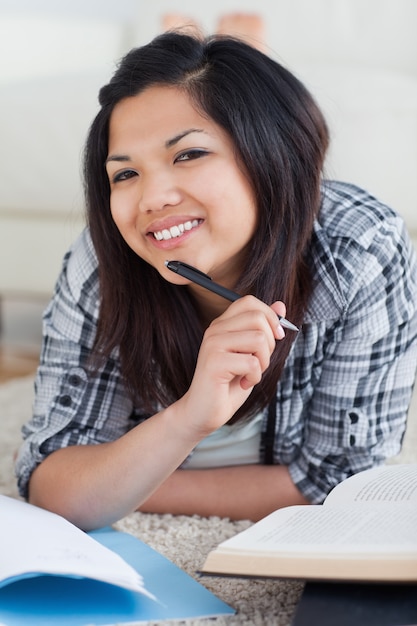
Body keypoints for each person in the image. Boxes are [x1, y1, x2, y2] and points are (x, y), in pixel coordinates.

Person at [15, 31, 417, 531]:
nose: (151, 198)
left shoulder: (359, 248)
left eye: (188, 155)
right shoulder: (102, 262)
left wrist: (124, 481)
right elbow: (52, 486)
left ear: (273, 153)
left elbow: (345, 484)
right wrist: (188, 419)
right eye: (124, 174)